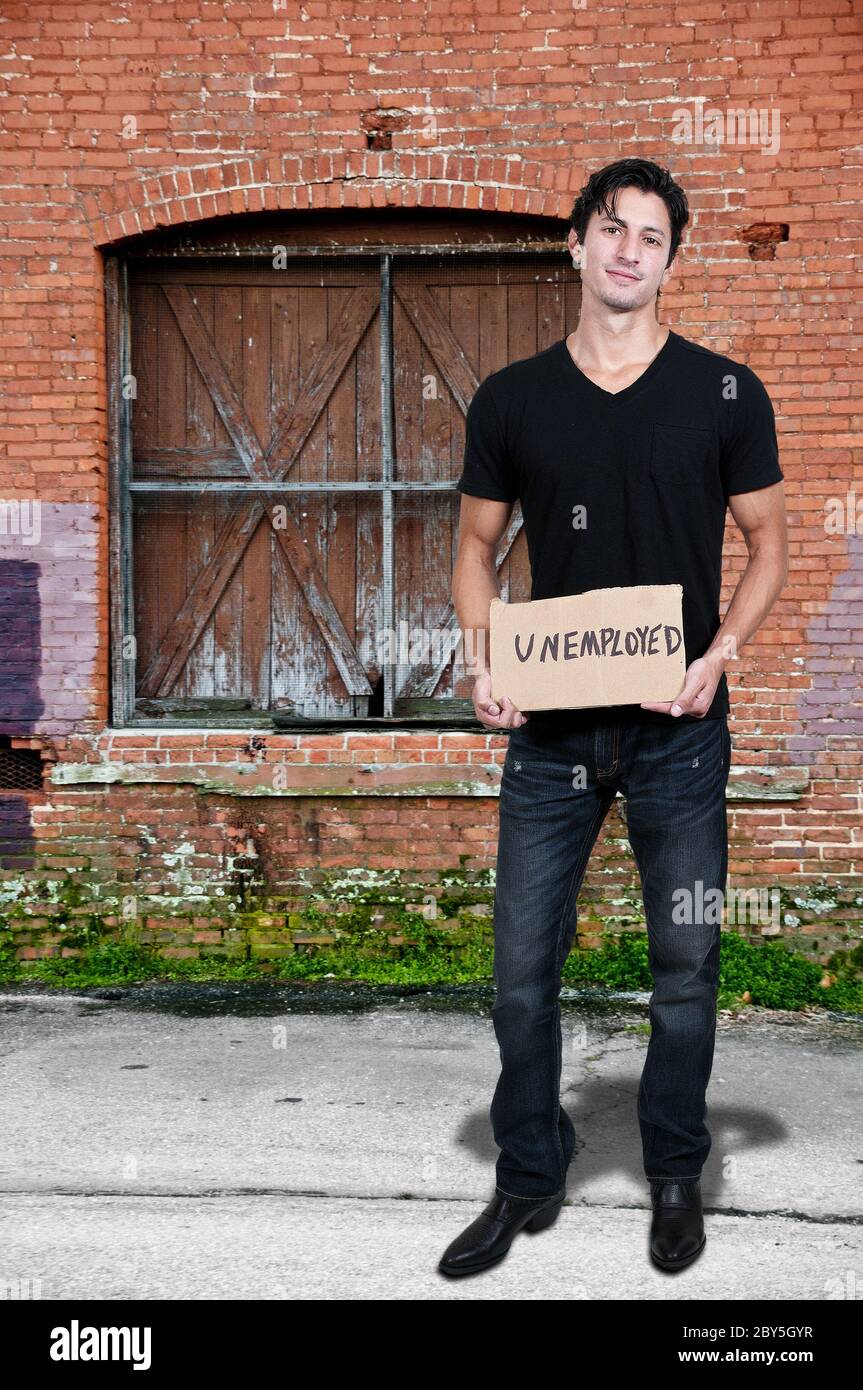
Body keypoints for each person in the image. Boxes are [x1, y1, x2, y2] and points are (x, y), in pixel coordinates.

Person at [440, 156, 788, 1278]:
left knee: (685, 962)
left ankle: (674, 1176)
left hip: (678, 730)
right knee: (518, 974)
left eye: (651, 234)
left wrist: (717, 654)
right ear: (577, 244)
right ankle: (526, 1179)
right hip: (548, 738)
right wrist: (482, 646)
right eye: (611, 228)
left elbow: (770, 543)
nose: (629, 248)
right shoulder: (511, 399)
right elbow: (473, 549)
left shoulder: (723, 392)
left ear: (669, 259)